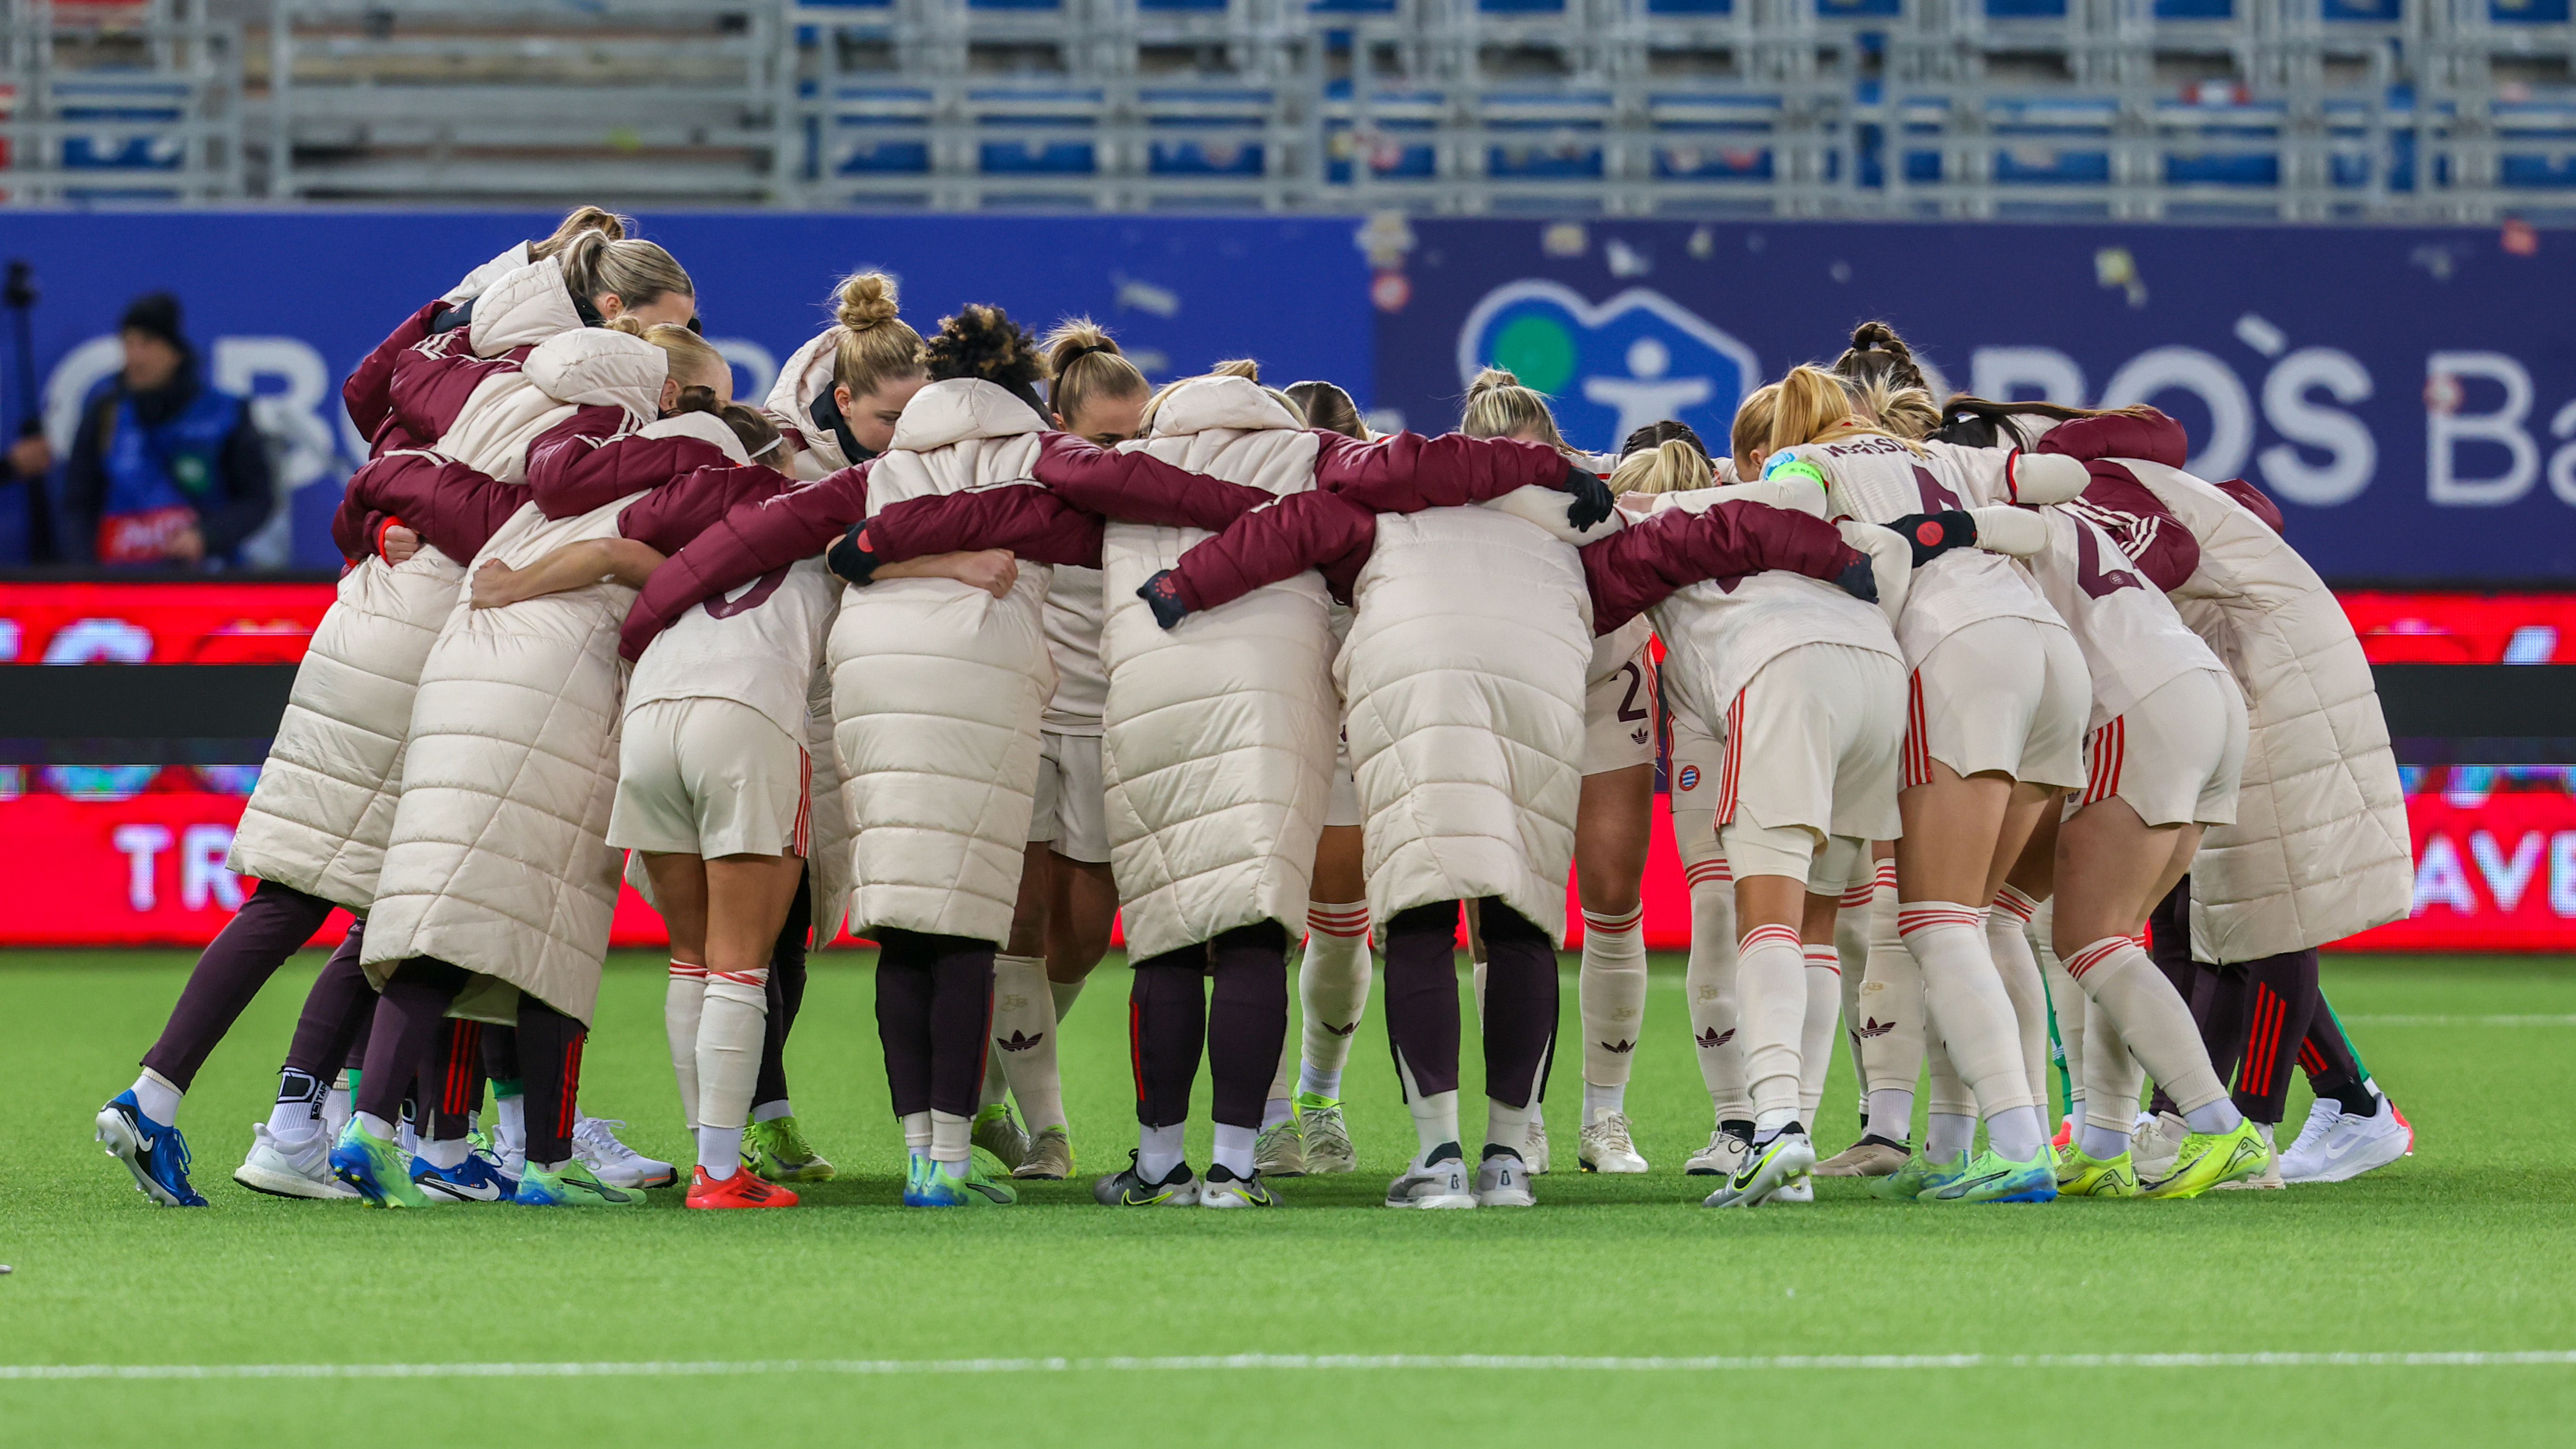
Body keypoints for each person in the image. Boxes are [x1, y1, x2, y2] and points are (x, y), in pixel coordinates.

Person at [1145, 399, 1884, 1210]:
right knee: (1521, 916)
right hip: (1540, 691)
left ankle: (1440, 1159)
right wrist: (1842, 560)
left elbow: (1289, 529)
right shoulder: (1577, 516)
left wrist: (1185, 584)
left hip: (1417, 683)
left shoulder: (1386, 499)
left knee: (1423, 913)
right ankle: (1506, 1156)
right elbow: (1701, 535)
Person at [91, 211, 651, 1208]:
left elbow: (364, 395)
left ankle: (255, 1114)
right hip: (429, 652)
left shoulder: (437, 359)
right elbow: (496, 524)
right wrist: (393, 494)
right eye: (656, 324)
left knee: (316, 893)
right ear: (607, 315)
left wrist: (376, 494)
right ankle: (279, 1119)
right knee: (378, 908)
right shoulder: (554, 396)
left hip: (358, 628)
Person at [332, 320, 772, 1209]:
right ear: (667, 395)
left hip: (462, 680)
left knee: (445, 921)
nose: (720, 411)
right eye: (709, 395)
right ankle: (541, 1161)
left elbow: (410, 482)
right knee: (553, 938)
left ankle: (381, 1128)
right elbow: (683, 566)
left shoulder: (534, 470)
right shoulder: (701, 453)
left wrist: (379, 497)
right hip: (562, 698)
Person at [2014, 401, 2415, 1187]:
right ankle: (2328, 1101)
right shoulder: (2112, 488)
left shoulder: (2091, 490)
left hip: (2259, 680)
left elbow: (2176, 507)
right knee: (2193, 917)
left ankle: (2249, 1126)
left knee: (2262, 912)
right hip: (2218, 681)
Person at [1762, 355, 2091, 1205]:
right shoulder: (1943, 454)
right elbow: (2065, 473)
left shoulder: (1801, 465)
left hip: (1957, 656)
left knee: (1937, 921)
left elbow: (1786, 513)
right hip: (2052, 656)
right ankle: (1954, 1146)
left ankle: (2019, 1147)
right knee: (1978, 922)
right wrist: (1964, 521)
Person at [1458, 368, 1658, 1174]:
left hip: (1602, 688)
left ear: (1561, 449)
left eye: (1536, 460)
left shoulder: (1601, 491)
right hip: (1505, 693)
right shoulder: (1442, 503)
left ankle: (1605, 1119)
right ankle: (1523, 1114)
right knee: (1504, 911)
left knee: (1612, 897)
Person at [971, 318, 1156, 1183]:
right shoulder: (1026, 481)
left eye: (1139, 436)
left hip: (1116, 725)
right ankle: (1047, 1131)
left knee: (1082, 941)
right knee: (1019, 924)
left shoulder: (1165, 493)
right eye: (1106, 439)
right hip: (1031, 717)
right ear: (1061, 430)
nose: (1125, 455)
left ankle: (984, 1095)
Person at [60, 293, 273, 568]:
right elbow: (78, 502)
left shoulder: (224, 412)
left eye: (147, 344)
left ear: (175, 352)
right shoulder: (106, 413)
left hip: (204, 579)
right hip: (118, 584)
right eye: (128, 344)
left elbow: (257, 499)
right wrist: (85, 573)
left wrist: (208, 536)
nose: (135, 357)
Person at [762, 272, 929, 478]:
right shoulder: (774, 452)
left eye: (922, 415)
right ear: (845, 402)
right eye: (892, 419)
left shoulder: (960, 440)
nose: (911, 432)